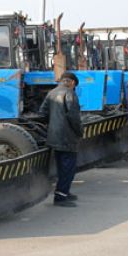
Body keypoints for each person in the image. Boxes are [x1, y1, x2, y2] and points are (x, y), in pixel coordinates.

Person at [39, 71, 82, 207]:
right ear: (73, 83)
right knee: (68, 167)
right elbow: (74, 117)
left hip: (54, 136)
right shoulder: (70, 93)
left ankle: (64, 192)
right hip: (67, 136)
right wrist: (79, 131)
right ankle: (61, 196)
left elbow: (43, 113)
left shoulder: (52, 93)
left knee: (61, 165)